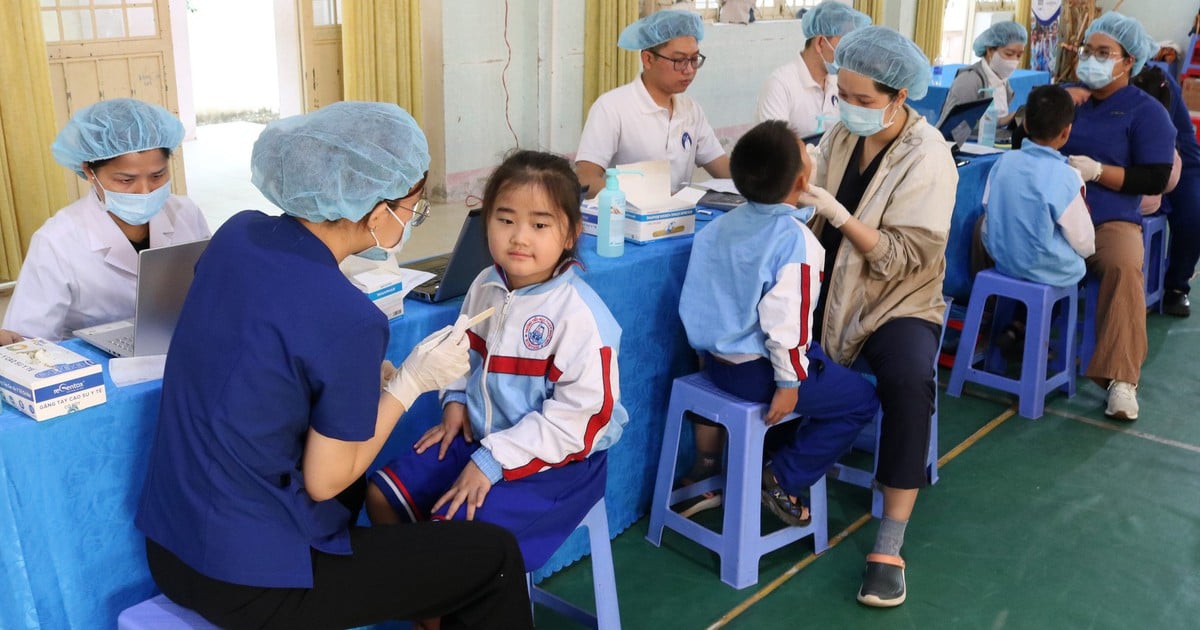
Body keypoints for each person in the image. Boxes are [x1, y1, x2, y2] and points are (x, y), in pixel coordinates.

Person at [135, 102, 532, 629]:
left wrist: (361, 379)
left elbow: (261, 358)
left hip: (169, 550)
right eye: (412, 208)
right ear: (376, 211)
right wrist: (410, 383)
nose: (414, 220)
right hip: (249, 581)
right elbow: (325, 481)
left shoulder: (238, 235)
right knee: (496, 557)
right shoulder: (350, 319)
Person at [367, 150, 628, 574]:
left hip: (558, 465)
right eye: (505, 220)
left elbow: (577, 422)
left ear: (570, 234)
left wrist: (489, 463)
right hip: (483, 436)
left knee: (451, 539)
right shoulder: (485, 285)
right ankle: (423, 610)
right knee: (382, 495)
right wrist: (454, 402)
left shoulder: (580, 316)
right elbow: (462, 354)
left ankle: (437, 610)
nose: (519, 237)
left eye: (540, 225)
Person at [798, 25, 958, 607]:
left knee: (909, 379)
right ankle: (774, 464)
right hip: (830, 283)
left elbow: (902, 258)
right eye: (844, 95)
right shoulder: (840, 135)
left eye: (865, 101)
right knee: (764, 334)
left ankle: (889, 543)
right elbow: (808, 191)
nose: (851, 109)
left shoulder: (929, 158)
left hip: (898, 300)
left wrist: (840, 216)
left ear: (900, 97)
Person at [678, 120, 880, 527]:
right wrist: (789, 385)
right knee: (861, 399)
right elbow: (787, 325)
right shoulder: (797, 242)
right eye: (807, 152)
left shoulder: (717, 227)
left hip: (716, 363)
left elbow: (702, 302)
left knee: (823, 370)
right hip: (762, 373)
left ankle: (770, 458)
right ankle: (779, 477)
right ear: (803, 180)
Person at [0, 98, 209, 343]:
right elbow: (28, 341)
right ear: (89, 172)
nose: (145, 191)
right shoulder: (56, 241)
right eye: (125, 180)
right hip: (95, 367)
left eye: (157, 175)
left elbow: (211, 288)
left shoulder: (185, 213)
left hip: (180, 347)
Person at [1059, 12, 1175, 420]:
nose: (1092, 59)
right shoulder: (1067, 97)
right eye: (1088, 51)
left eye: (1104, 53)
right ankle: (1004, 330)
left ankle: (1121, 380)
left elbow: (1155, 176)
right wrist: (1054, 104)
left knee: (1125, 266)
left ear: (1128, 61)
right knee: (986, 230)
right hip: (1051, 216)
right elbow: (1026, 135)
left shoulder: (1146, 112)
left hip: (1107, 220)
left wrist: (1098, 172)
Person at [576, 10, 729, 196]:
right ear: (648, 59)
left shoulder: (691, 111)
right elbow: (585, 180)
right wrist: (640, 200)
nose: (689, 70)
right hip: (627, 218)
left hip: (679, 220)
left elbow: (724, 170)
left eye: (694, 59)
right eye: (679, 60)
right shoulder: (611, 108)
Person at [982, 84, 1095, 287]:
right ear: (1066, 132)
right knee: (1080, 263)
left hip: (1003, 261)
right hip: (1049, 270)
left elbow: (987, 209)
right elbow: (1083, 241)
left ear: (1025, 124)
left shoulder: (1004, 161)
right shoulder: (1068, 176)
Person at [1131, 65, 1200, 316]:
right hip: (1134, 166)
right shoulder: (1093, 84)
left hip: (1172, 164)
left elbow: (1165, 171)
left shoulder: (1156, 84)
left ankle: (1176, 287)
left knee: (1193, 216)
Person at [756, 1, 871, 138]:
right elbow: (777, 150)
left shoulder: (838, 83)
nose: (848, 54)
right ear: (820, 43)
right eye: (844, 46)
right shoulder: (780, 86)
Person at [936, 21, 1028, 127]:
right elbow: (955, 126)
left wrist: (1006, 120)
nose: (1014, 60)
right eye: (1009, 54)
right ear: (989, 50)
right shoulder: (969, 80)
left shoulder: (1003, 81)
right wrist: (1002, 121)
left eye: (1019, 55)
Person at [1129, 66, 1182, 216]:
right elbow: (1171, 182)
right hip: (1152, 205)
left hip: (1129, 205)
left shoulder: (1128, 128)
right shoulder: (1169, 136)